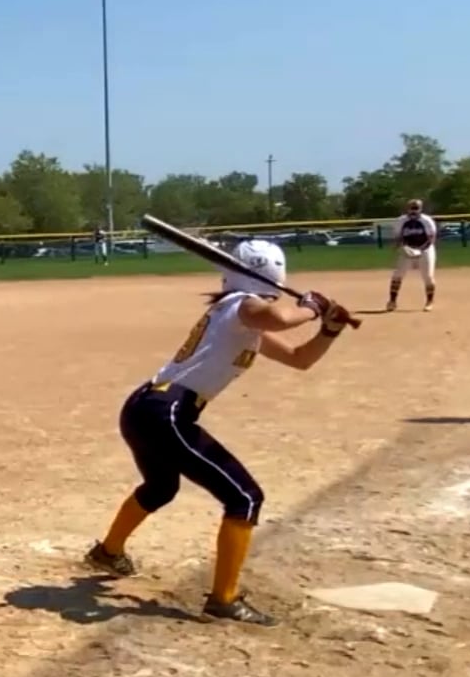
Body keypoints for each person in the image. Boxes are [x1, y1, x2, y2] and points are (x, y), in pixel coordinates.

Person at [82, 240, 353, 626]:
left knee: (161, 487)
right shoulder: (240, 305)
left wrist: (329, 330)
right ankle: (224, 599)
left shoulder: (243, 321)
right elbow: (278, 317)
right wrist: (311, 306)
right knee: (245, 497)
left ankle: (108, 553)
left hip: (149, 408)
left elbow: (300, 359)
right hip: (165, 412)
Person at [388, 199, 439, 312]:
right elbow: (398, 237)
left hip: (425, 250)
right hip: (407, 250)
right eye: (411, 208)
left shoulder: (426, 220)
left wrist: (419, 250)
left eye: (416, 208)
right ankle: (392, 301)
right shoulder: (401, 220)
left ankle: (429, 302)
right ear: (407, 209)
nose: (413, 211)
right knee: (397, 275)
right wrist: (400, 247)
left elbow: (431, 239)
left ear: (420, 209)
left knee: (428, 276)